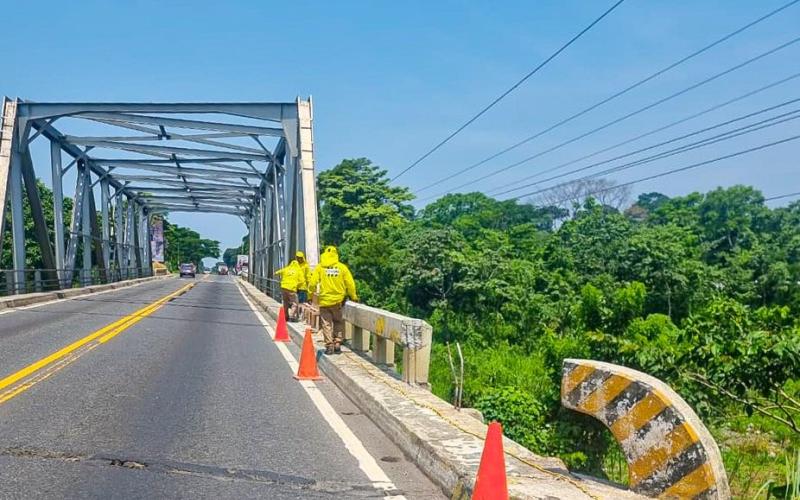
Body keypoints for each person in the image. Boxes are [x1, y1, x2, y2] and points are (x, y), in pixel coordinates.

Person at [308, 246, 358, 355]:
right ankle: (337, 342)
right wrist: (353, 296)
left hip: (325, 301)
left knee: (326, 324)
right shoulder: (342, 268)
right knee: (338, 321)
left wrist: (310, 295)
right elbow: (350, 284)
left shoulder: (320, 267)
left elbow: (312, 283)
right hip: (338, 301)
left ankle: (329, 345)